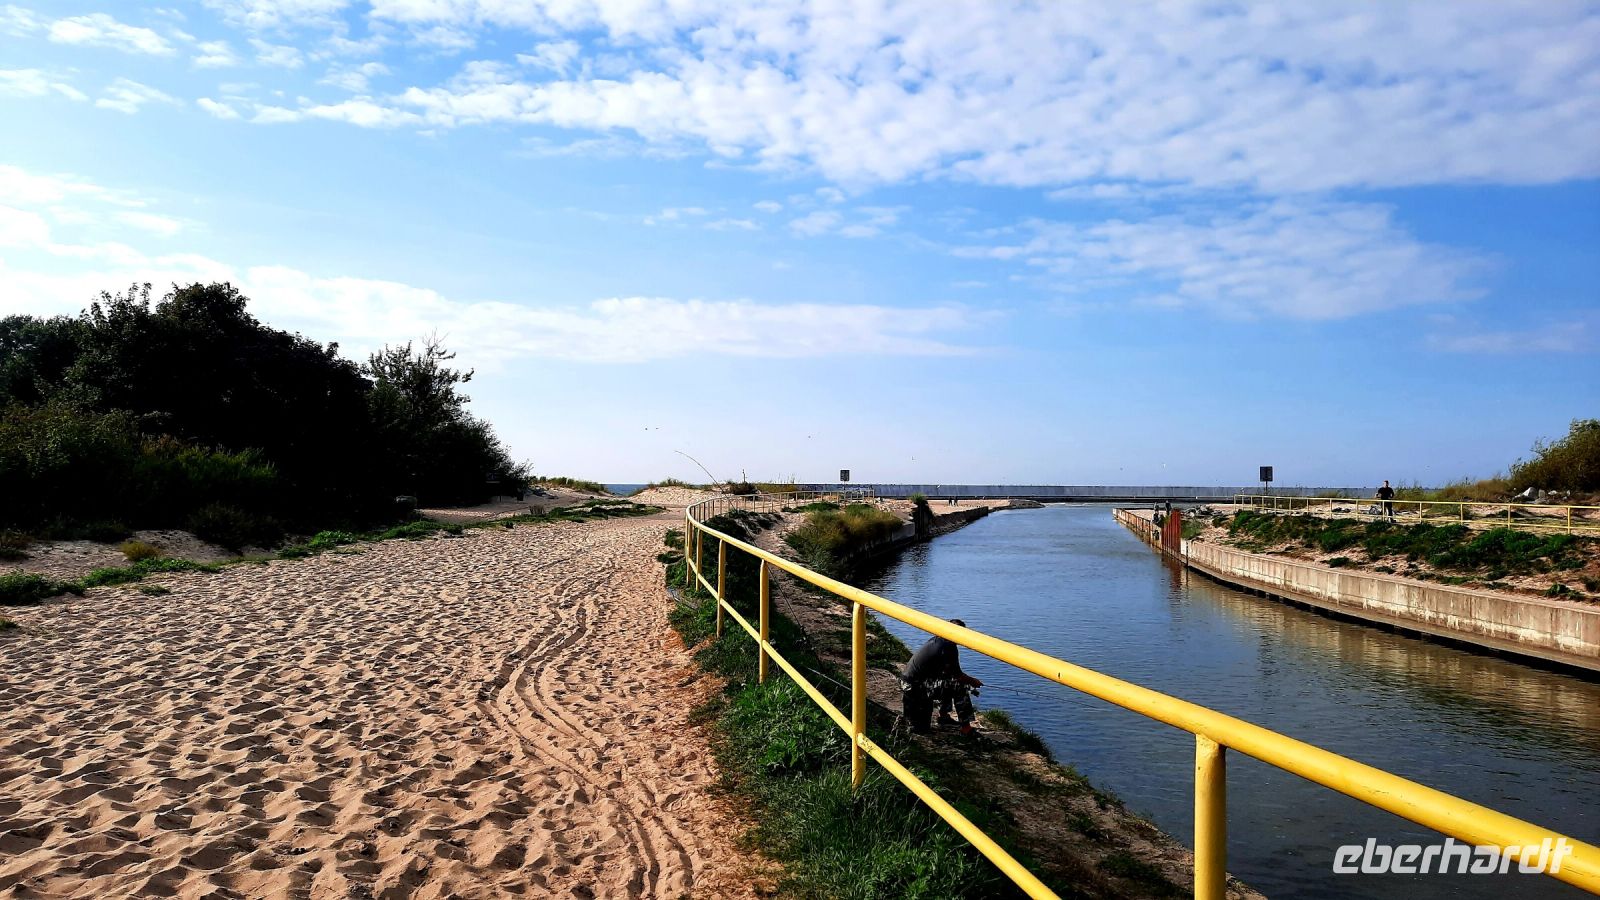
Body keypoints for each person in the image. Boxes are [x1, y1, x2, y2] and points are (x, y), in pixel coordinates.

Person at [901, 619, 983, 735]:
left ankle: (944, 716)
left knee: (948, 681)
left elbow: (948, 672)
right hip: (916, 687)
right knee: (959, 686)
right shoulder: (949, 646)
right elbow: (958, 676)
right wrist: (973, 681)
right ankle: (966, 728)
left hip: (908, 683)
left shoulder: (937, 640)